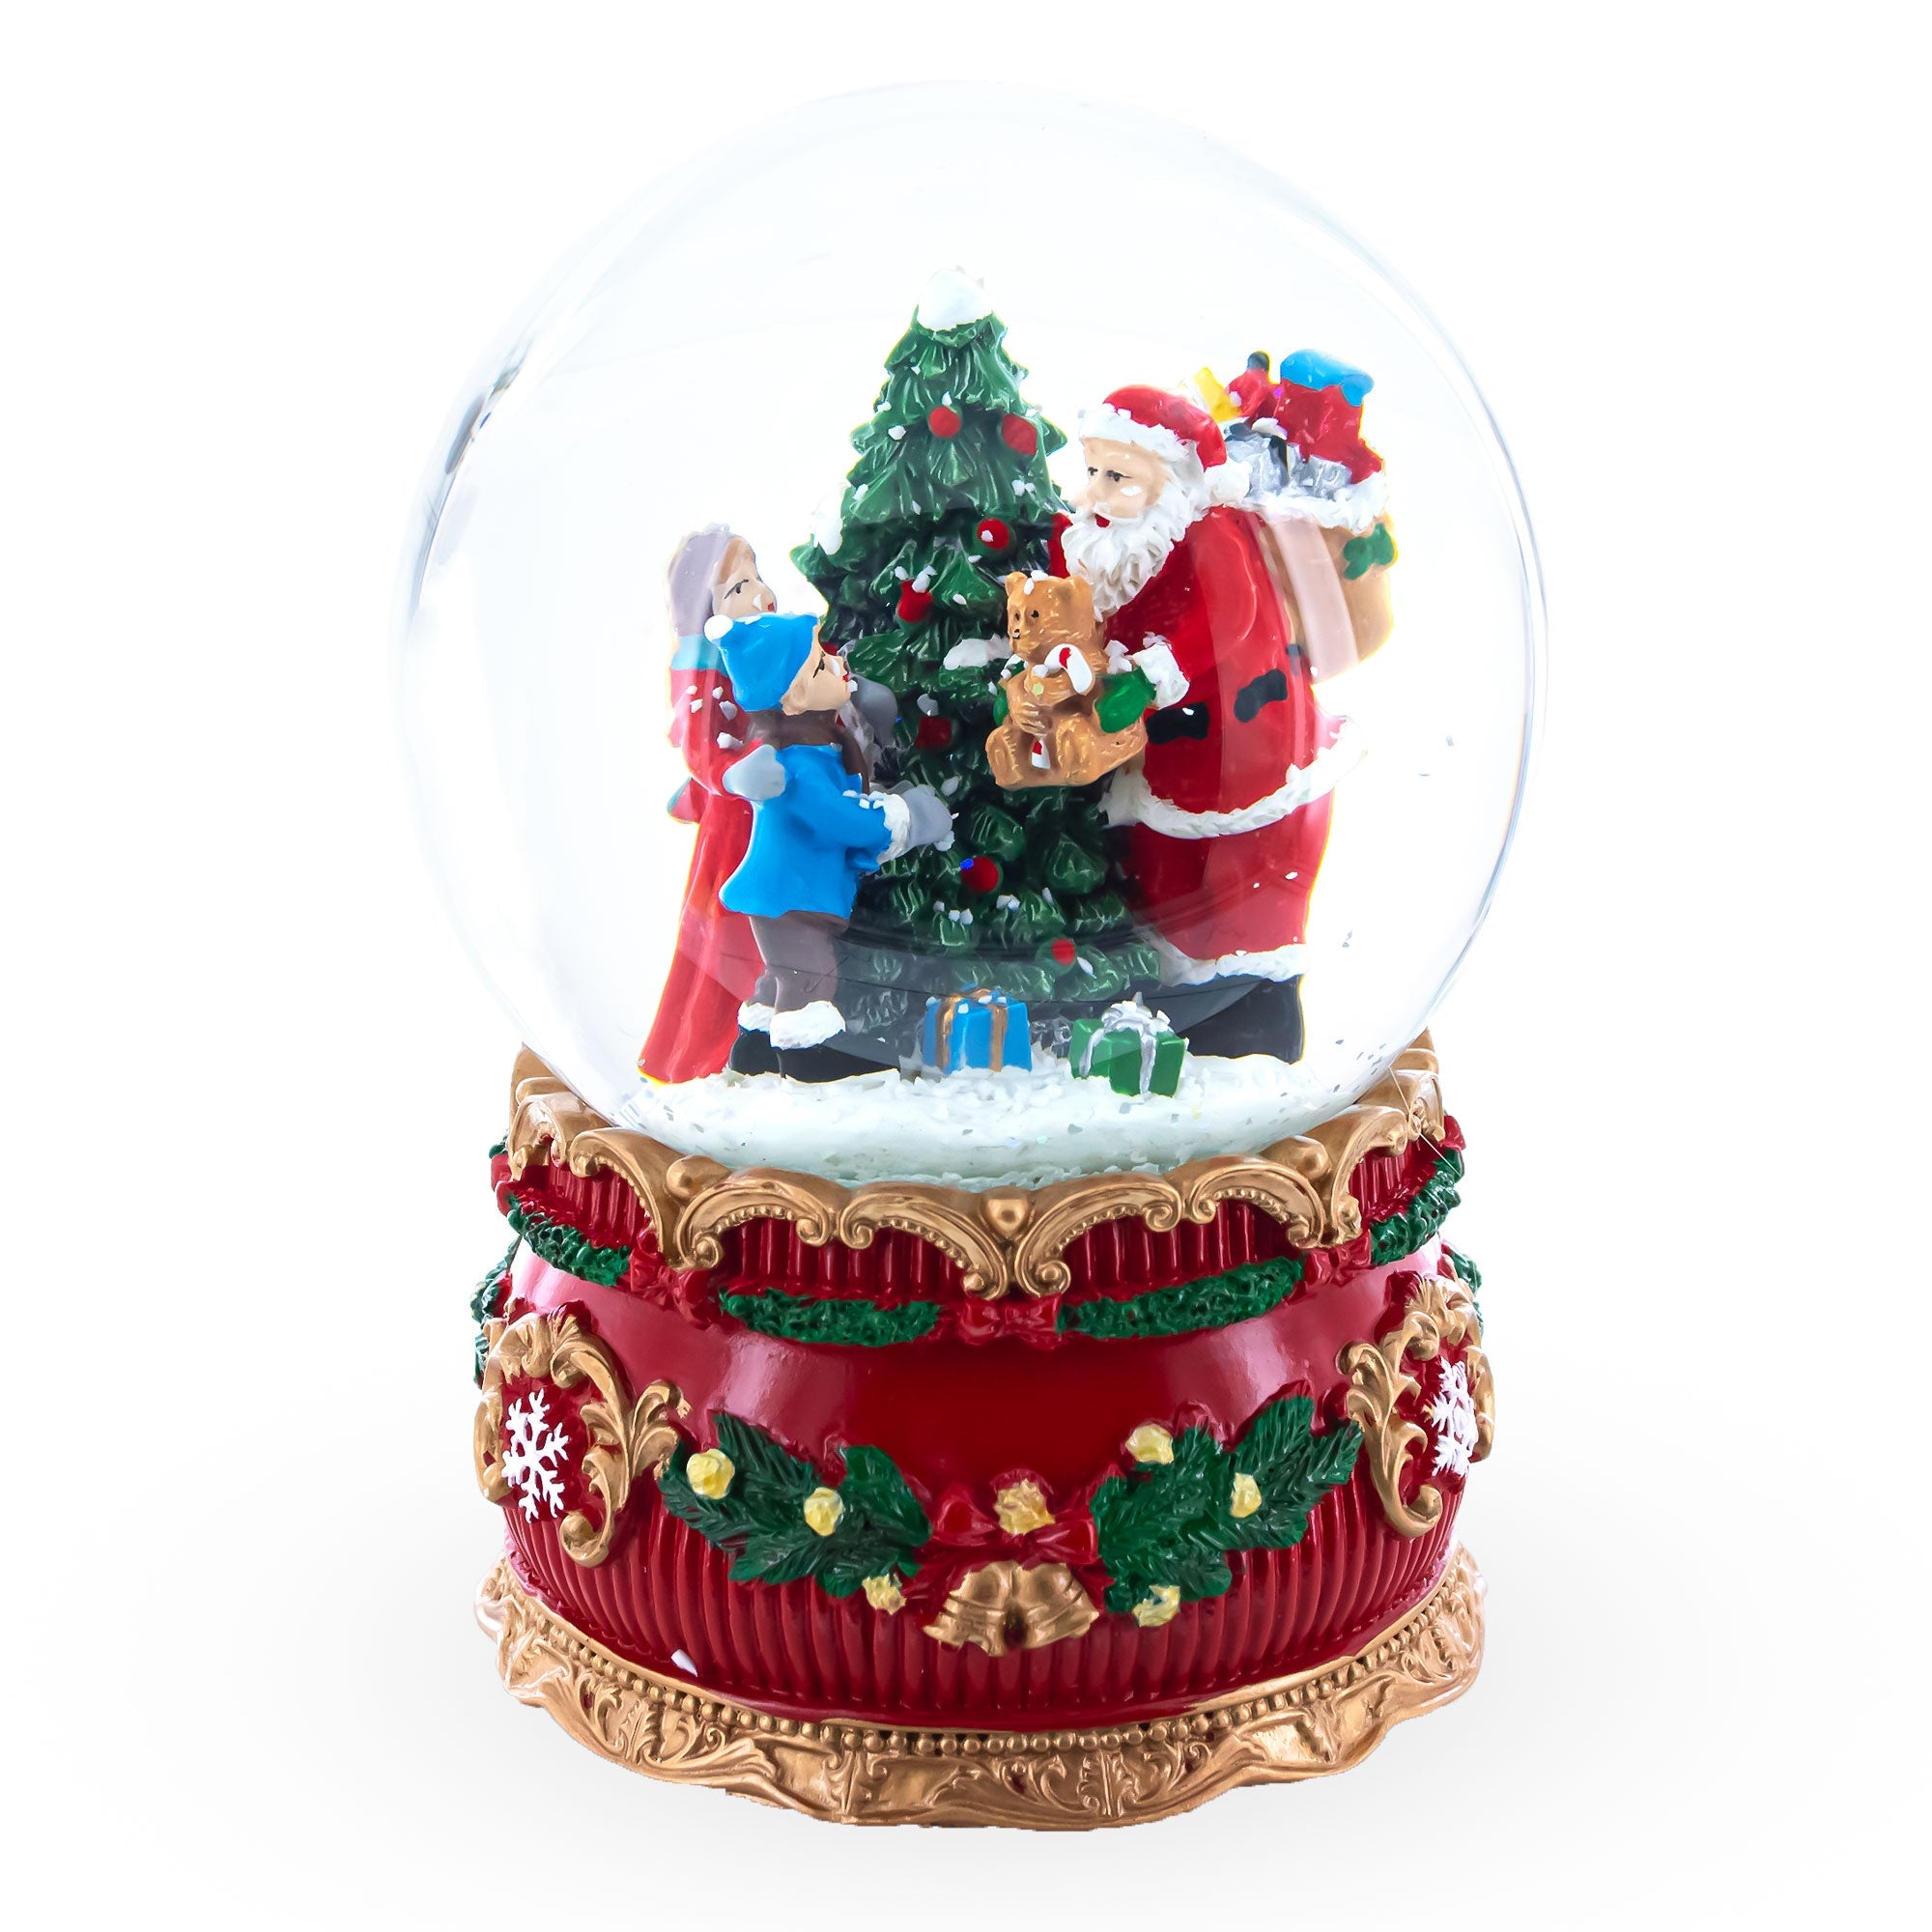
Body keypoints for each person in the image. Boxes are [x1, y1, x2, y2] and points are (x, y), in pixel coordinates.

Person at [1048, 386, 1363, 1061]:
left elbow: (1228, 617)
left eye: (1118, 477)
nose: (1096, 492)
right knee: (1167, 868)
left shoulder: (1212, 533)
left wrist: (1146, 678)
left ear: (1175, 482)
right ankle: (1182, 991)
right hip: (1165, 755)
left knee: (1246, 873)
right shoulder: (1109, 540)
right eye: (1093, 471)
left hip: (1245, 746)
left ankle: (1255, 1012)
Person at [715, 612, 953, 1081]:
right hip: (789, 893)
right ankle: (808, 1057)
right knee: (810, 973)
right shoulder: (800, 766)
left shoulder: (818, 750)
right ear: (795, 698)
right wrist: (907, 818)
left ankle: (754, 1048)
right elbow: (841, 819)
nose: (838, 665)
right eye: (822, 666)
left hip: (790, 892)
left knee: (783, 971)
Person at [636, 527, 774, 1084]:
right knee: (730, 935)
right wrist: (732, 773)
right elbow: (699, 744)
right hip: (735, 827)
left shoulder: (765, 644)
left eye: (757, 577)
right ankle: (710, 1053)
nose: (761, 593)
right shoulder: (702, 667)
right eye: (739, 587)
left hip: (773, 812)